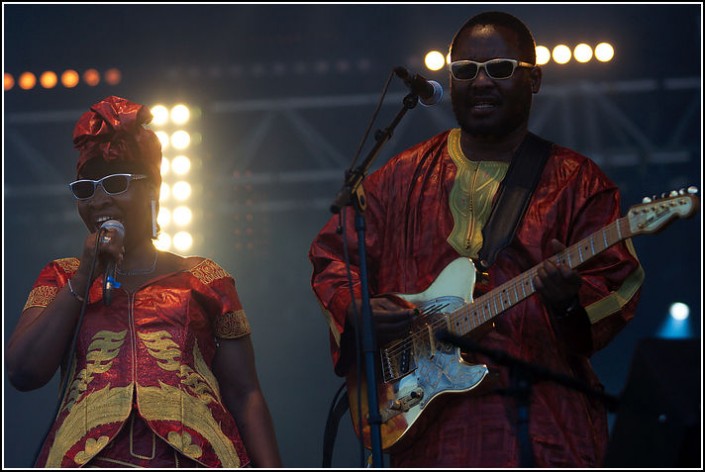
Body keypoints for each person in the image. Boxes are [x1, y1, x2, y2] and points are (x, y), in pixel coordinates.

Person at [309, 11, 644, 468]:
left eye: (500, 69)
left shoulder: (578, 182)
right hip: (425, 430)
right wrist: (358, 309)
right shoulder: (399, 176)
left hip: (538, 427)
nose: (481, 82)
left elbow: (615, 282)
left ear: (535, 79)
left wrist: (568, 301)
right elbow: (334, 255)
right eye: (465, 71)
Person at [5, 96, 282, 468]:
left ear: (153, 190)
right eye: (86, 188)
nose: (100, 198)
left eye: (116, 182)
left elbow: (245, 393)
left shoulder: (202, 277)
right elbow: (22, 372)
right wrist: (86, 275)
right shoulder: (62, 276)